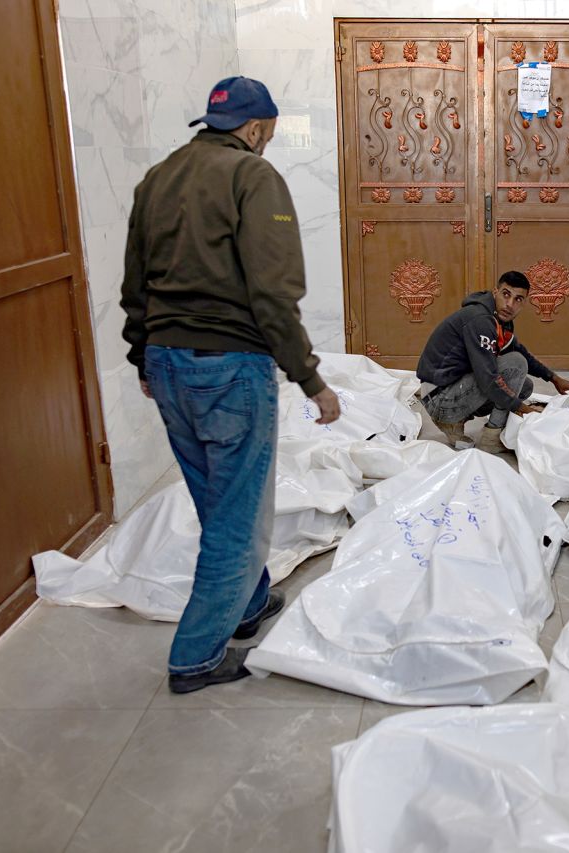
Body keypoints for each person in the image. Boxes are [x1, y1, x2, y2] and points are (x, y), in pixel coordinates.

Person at [121, 76, 341, 694]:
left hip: (167, 363)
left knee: (217, 501)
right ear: (254, 129)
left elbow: (134, 285)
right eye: (266, 134)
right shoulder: (254, 178)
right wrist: (309, 378)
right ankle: (195, 656)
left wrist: (144, 356)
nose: (266, 143)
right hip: (229, 367)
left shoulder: (158, 178)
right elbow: (273, 291)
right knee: (237, 521)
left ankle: (247, 602)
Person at [417, 271, 569, 452]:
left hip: (446, 390)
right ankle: (491, 439)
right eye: (506, 294)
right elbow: (488, 378)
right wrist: (521, 408)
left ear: (524, 303)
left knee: (525, 386)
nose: (510, 304)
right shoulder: (481, 320)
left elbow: (519, 349)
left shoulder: (499, 318)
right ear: (495, 292)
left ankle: (455, 422)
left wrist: (553, 378)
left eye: (518, 299)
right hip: (439, 398)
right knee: (516, 364)